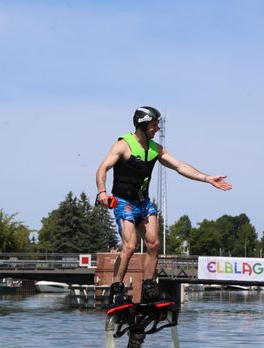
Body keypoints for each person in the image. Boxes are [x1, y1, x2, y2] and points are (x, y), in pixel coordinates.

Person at [96, 106, 232, 310]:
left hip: (144, 202)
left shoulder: (155, 149)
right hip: (124, 202)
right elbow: (102, 168)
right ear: (142, 125)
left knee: (154, 244)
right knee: (130, 246)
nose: (157, 128)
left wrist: (207, 178)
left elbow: (180, 166)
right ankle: (116, 291)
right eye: (154, 125)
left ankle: (149, 289)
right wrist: (102, 192)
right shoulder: (123, 145)